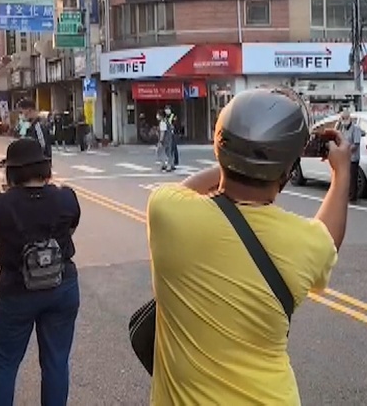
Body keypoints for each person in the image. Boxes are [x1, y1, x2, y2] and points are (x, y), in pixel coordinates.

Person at [146, 88, 348, 404]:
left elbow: (182, 190)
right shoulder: (305, 243)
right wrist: (342, 173)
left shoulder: (166, 211)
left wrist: (235, 160)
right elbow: (330, 238)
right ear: (288, 170)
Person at [0, 138, 80, 406]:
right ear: (44, 169)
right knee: (56, 361)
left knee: (4, 363)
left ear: (11, 172)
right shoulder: (66, 197)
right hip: (62, 285)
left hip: (17, 289)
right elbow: (69, 231)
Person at [338, 110, 362, 203]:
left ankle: (352, 196)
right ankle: (346, 194)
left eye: (345, 118)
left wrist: (346, 151)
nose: (344, 120)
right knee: (345, 177)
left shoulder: (355, 128)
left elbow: (356, 144)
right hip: (344, 157)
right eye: (342, 118)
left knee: (352, 177)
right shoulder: (342, 128)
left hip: (353, 157)